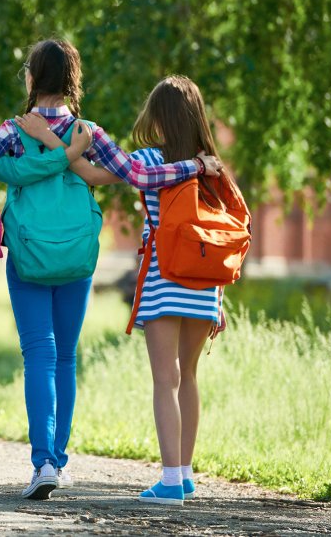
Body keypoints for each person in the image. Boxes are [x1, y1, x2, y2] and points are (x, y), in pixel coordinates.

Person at [0, 39, 222, 500]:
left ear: (32, 78)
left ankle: (42, 461)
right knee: (66, 357)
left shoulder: (11, 131)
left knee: (40, 356)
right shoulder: (89, 131)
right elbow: (137, 174)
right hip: (78, 257)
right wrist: (196, 165)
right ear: (72, 81)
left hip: (28, 255)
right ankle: (58, 463)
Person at [50, 76, 232, 506]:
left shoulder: (150, 159)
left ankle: (169, 481)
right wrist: (221, 300)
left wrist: (60, 146)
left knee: (163, 379)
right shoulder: (212, 166)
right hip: (205, 285)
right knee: (187, 376)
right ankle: (184, 475)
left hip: (165, 279)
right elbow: (218, 233)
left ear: (160, 117)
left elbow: (100, 169)